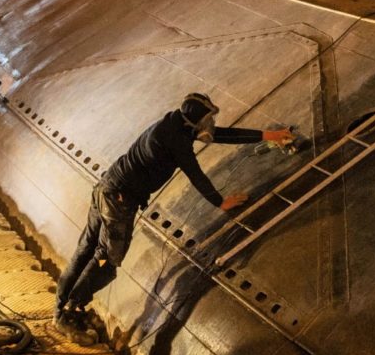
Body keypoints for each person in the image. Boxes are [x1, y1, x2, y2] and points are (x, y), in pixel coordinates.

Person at [54, 92, 294, 341]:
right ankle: (71, 314)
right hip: (118, 202)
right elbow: (195, 173)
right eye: (208, 119)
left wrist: (269, 135)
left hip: (106, 187)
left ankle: (60, 309)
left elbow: (221, 135)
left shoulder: (176, 123)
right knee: (106, 259)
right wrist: (221, 202)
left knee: (85, 250)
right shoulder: (174, 139)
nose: (210, 124)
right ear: (196, 121)